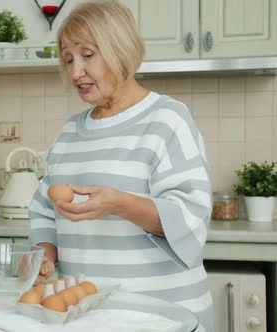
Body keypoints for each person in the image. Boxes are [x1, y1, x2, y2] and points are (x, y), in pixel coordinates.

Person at [28, 1, 213, 331]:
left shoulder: (167, 119)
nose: (75, 72)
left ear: (120, 49)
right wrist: (45, 254)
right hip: (88, 317)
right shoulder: (70, 131)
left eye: (87, 55)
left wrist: (120, 204)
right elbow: (44, 209)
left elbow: (190, 218)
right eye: (68, 59)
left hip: (164, 317)